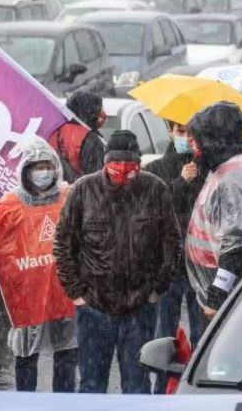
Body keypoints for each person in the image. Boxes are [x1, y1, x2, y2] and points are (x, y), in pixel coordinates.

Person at [53, 130, 181, 394]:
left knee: (137, 385)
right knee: (92, 385)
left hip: (140, 307)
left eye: (129, 164)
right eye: (116, 163)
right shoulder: (83, 191)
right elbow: (64, 243)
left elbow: (171, 243)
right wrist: (76, 293)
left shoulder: (155, 189)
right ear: (105, 162)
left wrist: (157, 289)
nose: (123, 170)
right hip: (94, 307)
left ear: (139, 163)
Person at [0, 136, 78, 392]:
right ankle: (25, 403)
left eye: (46, 166)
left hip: (64, 293)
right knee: (26, 357)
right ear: (26, 171)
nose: (42, 172)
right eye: (36, 167)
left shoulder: (70, 198)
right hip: (28, 296)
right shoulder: (10, 206)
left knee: (66, 354)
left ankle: (64, 405)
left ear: (55, 168)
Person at [185, 102, 242, 318]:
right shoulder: (237, 162)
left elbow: (238, 243)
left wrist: (218, 295)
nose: (194, 147)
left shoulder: (234, 178)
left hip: (229, 293)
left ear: (213, 140)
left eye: (197, 140)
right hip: (228, 286)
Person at [143, 120, 206, 394]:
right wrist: (181, 182)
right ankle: (161, 388)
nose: (185, 137)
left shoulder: (206, 169)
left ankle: (197, 386)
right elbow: (153, 208)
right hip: (166, 266)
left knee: (202, 331)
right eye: (180, 131)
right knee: (164, 333)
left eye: (189, 133)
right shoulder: (155, 169)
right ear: (169, 131)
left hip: (198, 264)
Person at [47, 90, 106, 183]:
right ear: (91, 113)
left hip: (56, 192)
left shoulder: (55, 133)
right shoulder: (90, 139)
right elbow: (96, 183)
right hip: (80, 194)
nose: (102, 114)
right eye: (99, 110)